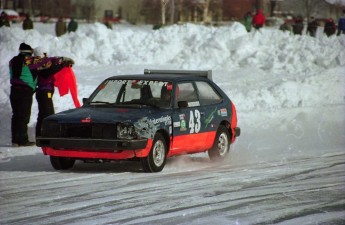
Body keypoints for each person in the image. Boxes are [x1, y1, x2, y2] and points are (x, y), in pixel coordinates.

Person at [33, 48, 73, 136]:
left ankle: (39, 135)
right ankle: (49, 136)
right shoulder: (38, 64)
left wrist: (62, 60)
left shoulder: (40, 63)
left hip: (43, 92)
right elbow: (47, 73)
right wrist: (61, 65)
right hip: (44, 92)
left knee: (42, 114)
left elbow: (52, 66)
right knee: (49, 114)